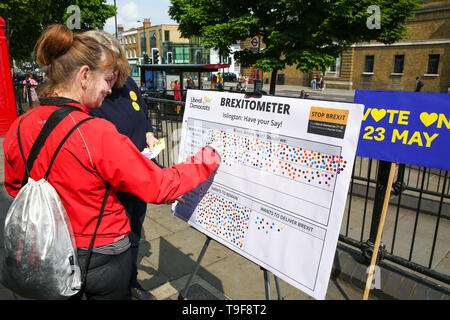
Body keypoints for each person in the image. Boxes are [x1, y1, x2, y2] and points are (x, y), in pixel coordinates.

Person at [3, 24, 222, 300]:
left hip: (49, 250)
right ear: (84, 76)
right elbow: (160, 187)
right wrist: (208, 158)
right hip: (101, 254)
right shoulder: (96, 133)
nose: (110, 89)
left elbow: (14, 187)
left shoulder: (20, 126)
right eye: (107, 79)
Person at [83, 30, 158, 300]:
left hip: (139, 179)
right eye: (107, 68)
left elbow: (143, 113)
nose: (112, 75)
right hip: (112, 187)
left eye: (115, 66)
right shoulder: (92, 97)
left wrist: (149, 132)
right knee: (116, 245)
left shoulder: (128, 85)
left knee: (135, 235)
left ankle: (131, 281)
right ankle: (119, 288)